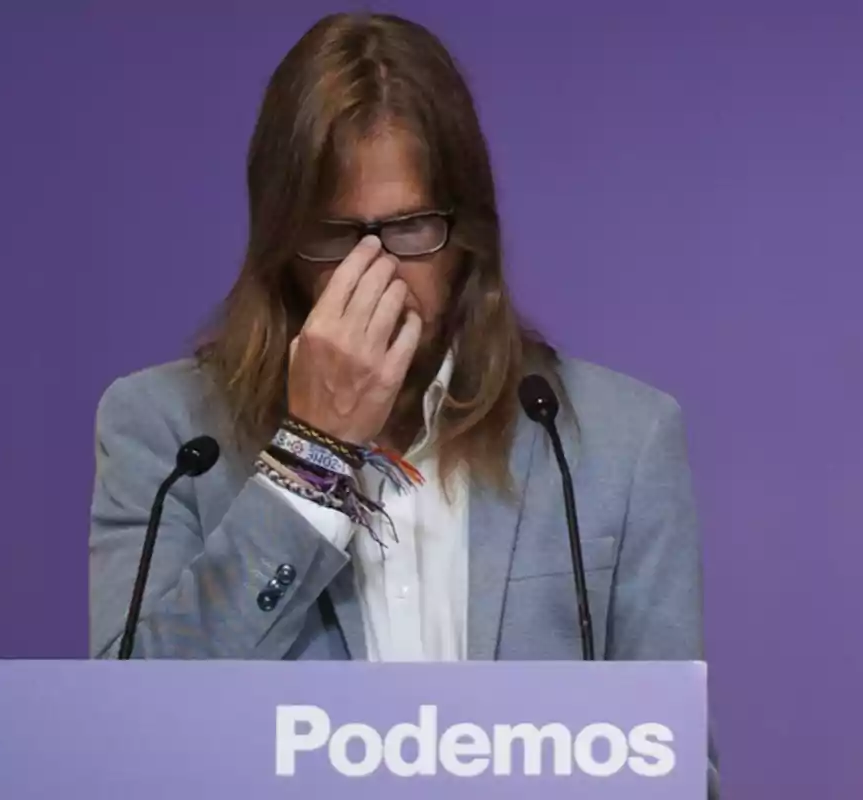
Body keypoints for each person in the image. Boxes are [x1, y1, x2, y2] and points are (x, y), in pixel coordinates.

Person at [89, 11, 716, 793]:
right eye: (335, 233)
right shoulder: (169, 436)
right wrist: (310, 461)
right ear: (280, 245)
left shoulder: (619, 442)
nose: (375, 271)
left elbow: (678, 775)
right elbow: (118, 747)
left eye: (411, 226)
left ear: (468, 233)